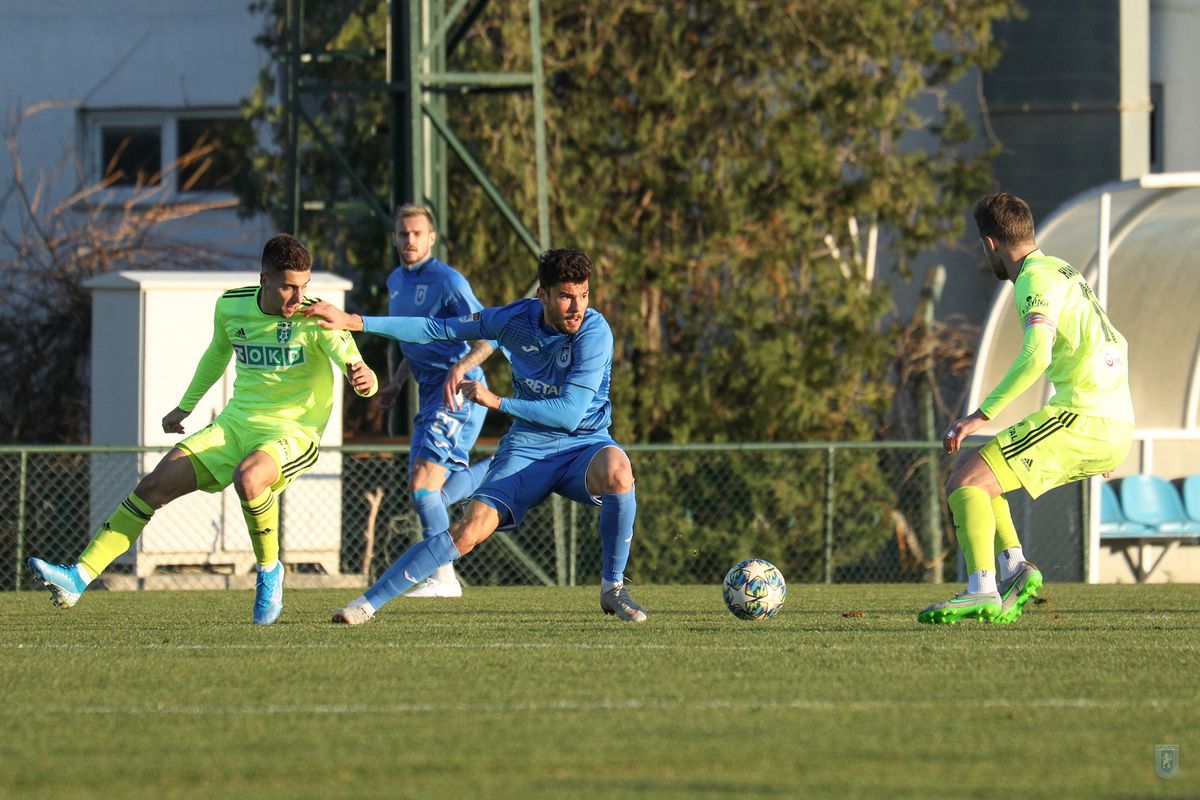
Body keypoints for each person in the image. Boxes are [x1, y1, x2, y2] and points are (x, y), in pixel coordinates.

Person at [27, 234, 378, 625]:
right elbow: (216, 354)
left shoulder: (318, 316)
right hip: (234, 424)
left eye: (304, 286)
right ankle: (78, 578)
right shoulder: (232, 306)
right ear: (264, 279)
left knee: (250, 479)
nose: (298, 298)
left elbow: (356, 367)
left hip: (293, 432)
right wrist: (185, 406)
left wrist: (363, 377)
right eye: (289, 287)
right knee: (152, 487)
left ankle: (268, 571)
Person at [304, 247, 648, 624]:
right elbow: (437, 328)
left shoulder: (594, 331)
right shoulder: (513, 319)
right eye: (566, 296)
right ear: (543, 295)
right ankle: (365, 605)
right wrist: (355, 321)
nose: (576, 307)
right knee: (469, 531)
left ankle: (612, 589)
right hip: (528, 447)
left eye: (583, 295)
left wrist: (496, 401)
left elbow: (569, 415)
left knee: (619, 470)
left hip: (584, 444)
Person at [919, 193, 1134, 625]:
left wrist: (979, 414)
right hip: (1110, 421)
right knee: (980, 476)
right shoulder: (1063, 271)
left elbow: (1036, 356)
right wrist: (1110, 432)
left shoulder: (1033, 281)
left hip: (1085, 417)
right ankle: (1013, 569)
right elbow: (1114, 343)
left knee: (965, 483)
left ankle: (982, 588)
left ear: (991, 245)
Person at [376, 204, 496, 598]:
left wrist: (460, 368)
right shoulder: (396, 281)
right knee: (428, 495)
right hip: (428, 396)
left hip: (457, 394)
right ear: (395, 237)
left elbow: (487, 338)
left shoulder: (448, 281)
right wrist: (395, 382)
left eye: (417, 233)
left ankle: (443, 577)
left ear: (431, 238)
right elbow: (416, 340)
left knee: (424, 488)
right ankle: (498, 468)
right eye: (402, 233)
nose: (409, 240)